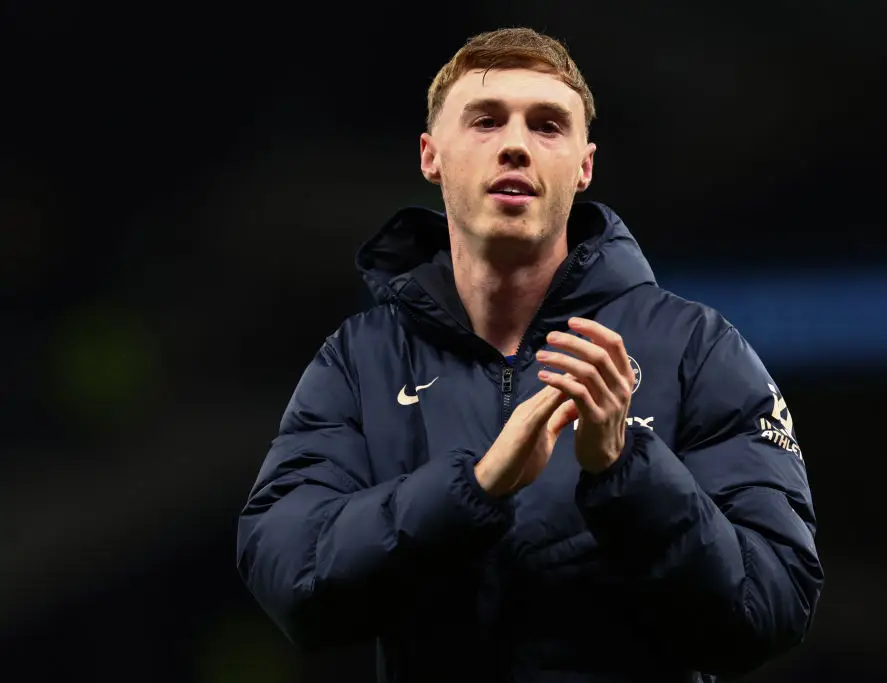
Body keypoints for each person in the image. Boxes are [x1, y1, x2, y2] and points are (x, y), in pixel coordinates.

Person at [236, 27, 823, 683]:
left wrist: (625, 471)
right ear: (432, 156)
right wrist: (474, 486)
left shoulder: (696, 347)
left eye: (547, 125)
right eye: (485, 121)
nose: (515, 144)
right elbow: (293, 581)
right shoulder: (360, 360)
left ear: (584, 166)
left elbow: (773, 605)